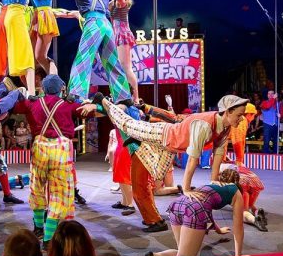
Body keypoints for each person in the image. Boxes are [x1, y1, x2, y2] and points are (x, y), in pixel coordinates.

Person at [98, 94, 249, 233]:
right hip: (162, 135)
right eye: (239, 115)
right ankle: (103, 100)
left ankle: (140, 140)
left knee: (157, 174)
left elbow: (218, 154)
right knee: (127, 124)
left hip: (168, 149)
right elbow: (193, 158)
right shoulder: (204, 125)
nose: (242, 119)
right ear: (227, 112)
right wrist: (186, 188)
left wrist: (214, 180)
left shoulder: (225, 127)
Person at [12, 75, 98, 248]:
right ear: (61, 89)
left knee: (37, 188)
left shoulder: (32, 103)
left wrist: (20, 95)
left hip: (40, 147)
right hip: (61, 149)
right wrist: (95, 104)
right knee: (59, 194)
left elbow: (13, 106)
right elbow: (92, 111)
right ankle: (48, 239)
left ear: (43, 89)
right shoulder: (68, 104)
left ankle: (38, 228)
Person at [31, 0, 133, 104]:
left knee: (83, 58)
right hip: (107, 25)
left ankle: (76, 94)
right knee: (112, 61)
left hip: (93, 23)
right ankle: (124, 97)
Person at [135, 168, 244, 256]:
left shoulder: (213, 184)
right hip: (194, 210)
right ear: (237, 182)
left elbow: (206, 210)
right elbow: (238, 227)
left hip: (178, 204)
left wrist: (218, 230)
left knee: (183, 253)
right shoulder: (236, 191)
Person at [106, 0, 139, 103]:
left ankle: (136, 98)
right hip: (116, 34)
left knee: (126, 67)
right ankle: (124, 95)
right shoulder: (112, 2)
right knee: (120, 67)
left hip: (122, 34)